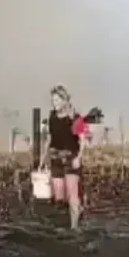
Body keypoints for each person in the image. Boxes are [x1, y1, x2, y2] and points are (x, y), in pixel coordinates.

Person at [47, 86, 86, 230]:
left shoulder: (75, 118)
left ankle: (74, 227)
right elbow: (50, 138)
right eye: (53, 100)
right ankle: (67, 220)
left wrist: (79, 157)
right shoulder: (52, 117)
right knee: (59, 196)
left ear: (64, 101)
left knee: (72, 194)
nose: (54, 103)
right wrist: (44, 158)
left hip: (71, 157)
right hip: (56, 157)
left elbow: (82, 140)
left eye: (57, 100)